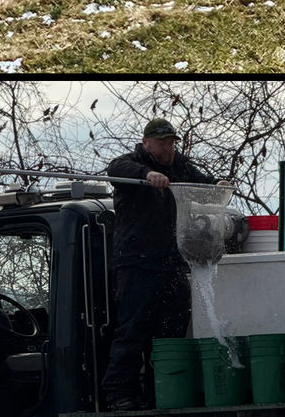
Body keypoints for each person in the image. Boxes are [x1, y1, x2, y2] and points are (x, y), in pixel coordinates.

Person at [101, 118, 231, 412]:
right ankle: (119, 393)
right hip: (136, 264)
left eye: (172, 142)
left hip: (172, 264)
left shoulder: (179, 166)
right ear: (146, 142)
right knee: (133, 331)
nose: (168, 148)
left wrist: (216, 185)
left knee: (170, 334)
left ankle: (160, 391)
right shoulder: (131, 164)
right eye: (162, 142)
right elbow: (116, 169)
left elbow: (200, 180)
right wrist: (148, 174)